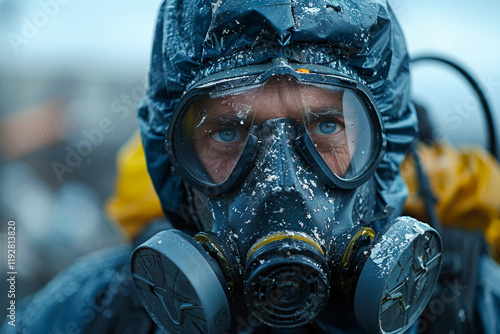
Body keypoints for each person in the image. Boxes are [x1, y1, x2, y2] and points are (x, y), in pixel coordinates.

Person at [3, 0, 500, 333]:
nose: (281, 180)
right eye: (228, 131)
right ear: (173, 164)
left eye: (326, 126)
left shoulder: (470, 304)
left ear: (384, 150)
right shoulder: (102, 311)